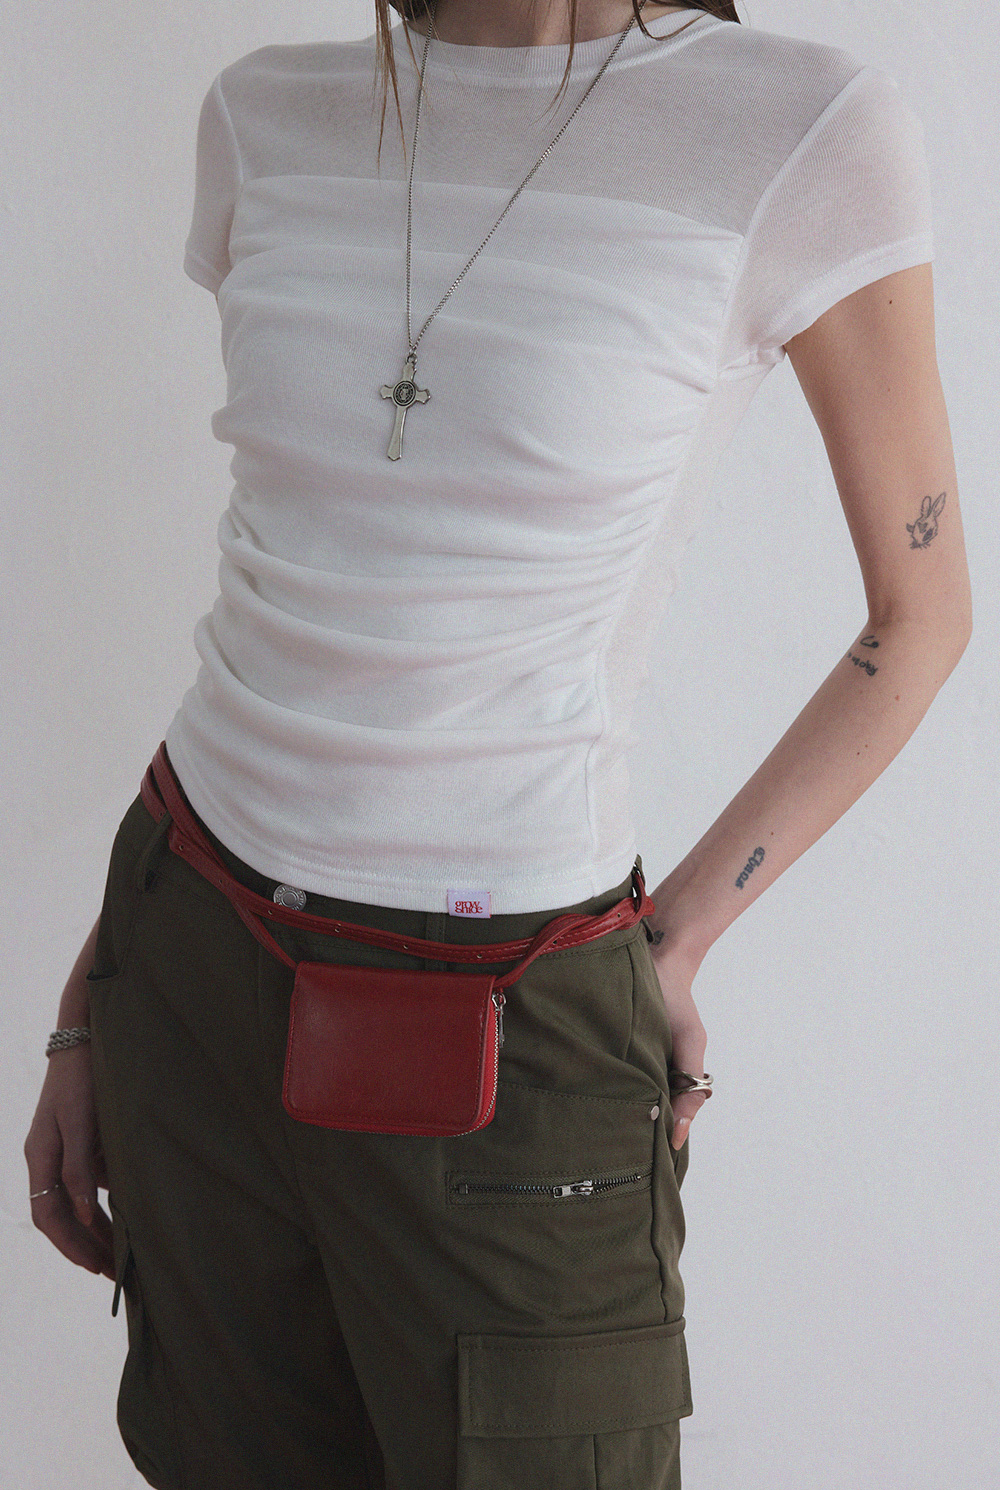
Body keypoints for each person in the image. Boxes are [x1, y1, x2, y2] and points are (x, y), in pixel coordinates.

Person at [24, 1, 972, 1487]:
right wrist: (93, 1000)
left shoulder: (796, 133)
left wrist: (675, 942)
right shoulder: (266, 116)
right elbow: (285, 605)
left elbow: (921, 619)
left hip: (516, 1015)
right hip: (187, 960)